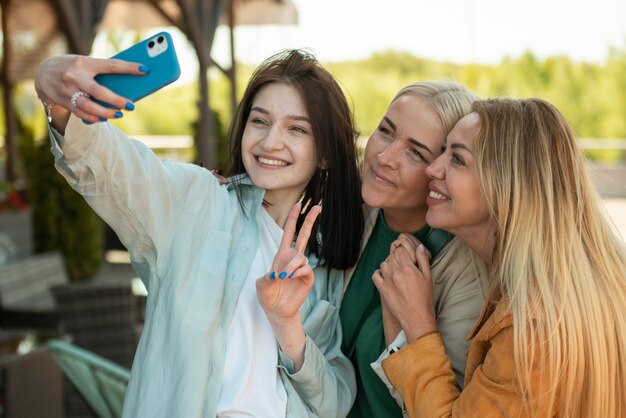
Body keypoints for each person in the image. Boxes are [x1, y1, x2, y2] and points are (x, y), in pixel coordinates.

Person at [35, 49, 365, 418]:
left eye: (297, 128)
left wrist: (288, 325)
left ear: (325, 155)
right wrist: (55, 96)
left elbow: (334, 403)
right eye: (260, 121)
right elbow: (111, 166)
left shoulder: (328, 261)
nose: (271, 142)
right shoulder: (198, 201)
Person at [376, 98, 626, 417]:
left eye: (456, 159)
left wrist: (419, 326)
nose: (433, 168)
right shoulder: (590, 282)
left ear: (505, 185)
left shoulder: (531, 331)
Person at [339, 81, 485, 417]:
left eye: (416, 152)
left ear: (442, 170)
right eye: (386, 131)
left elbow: (446, 406)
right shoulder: (352, 213)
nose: (384, 157)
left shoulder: (466, 271)